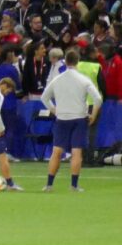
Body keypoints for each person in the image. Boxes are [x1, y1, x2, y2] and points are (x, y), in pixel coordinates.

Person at [42, 50, 103, 192]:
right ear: (77, 61)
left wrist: (54, 110)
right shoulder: (83, 79)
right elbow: (98, 98)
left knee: (56, 151)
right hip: (79, 118)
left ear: (66, 61)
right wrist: (93, 114)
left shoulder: (57, 79)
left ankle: (49, 184)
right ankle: (74, 185)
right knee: (76, 152)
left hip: (62, 118)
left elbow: (44, 97)